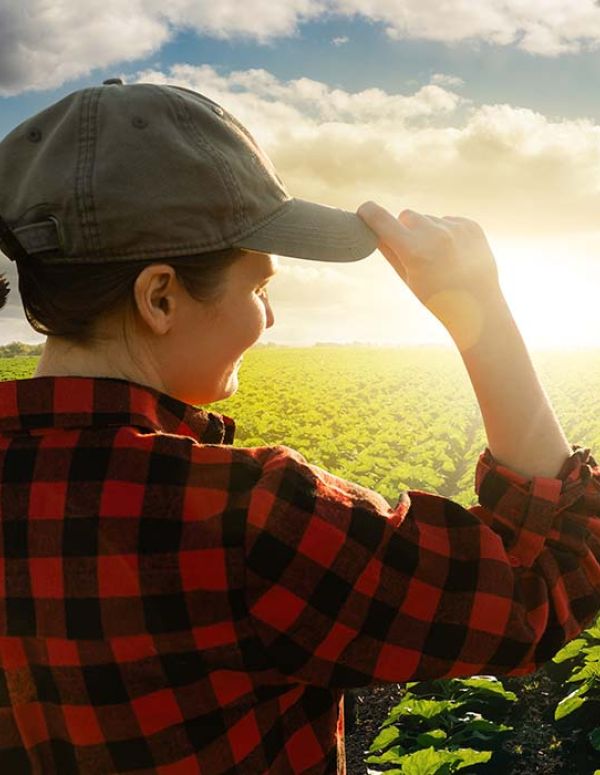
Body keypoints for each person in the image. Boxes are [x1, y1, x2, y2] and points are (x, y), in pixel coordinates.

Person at [0, 79, 598, 775]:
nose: (271, 318)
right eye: (260, 288)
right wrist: (482, 311)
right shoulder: (250, 521)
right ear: (159, 296)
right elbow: (546, 580)